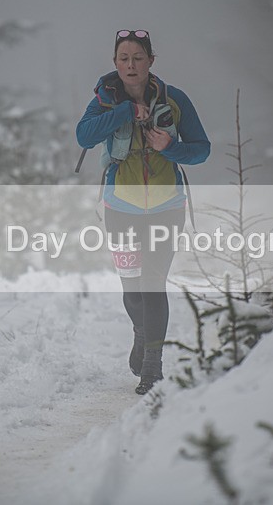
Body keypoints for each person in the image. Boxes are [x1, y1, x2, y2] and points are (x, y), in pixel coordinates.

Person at [76, 29, 210, 394]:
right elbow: (83, 137)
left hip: (168, 207)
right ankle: (141, 333)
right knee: (132, 290)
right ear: (115, 64)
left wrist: (171, 147)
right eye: (124, 58)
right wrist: (124, 110)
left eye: (138, 58)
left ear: (151, 61)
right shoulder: (105, 102)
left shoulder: (175, 99)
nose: (131, 65)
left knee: (153, 285)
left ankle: (153, 366)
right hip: (120, 208)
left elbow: (202, 150)